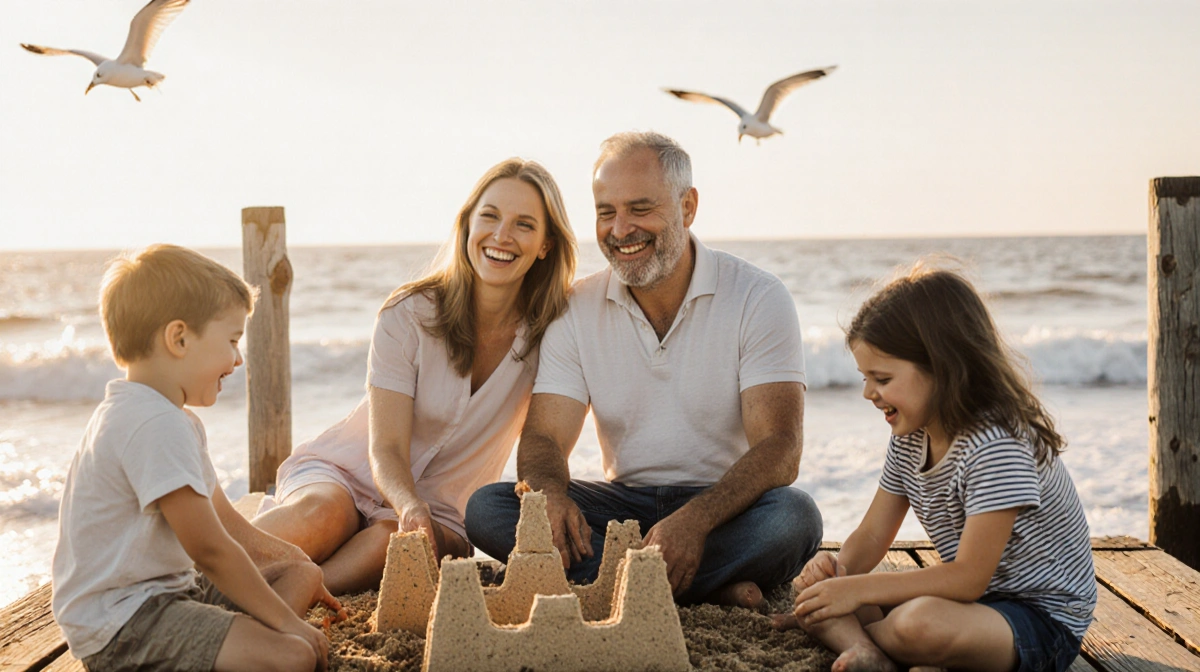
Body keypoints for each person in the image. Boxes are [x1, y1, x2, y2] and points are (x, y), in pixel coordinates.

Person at [465, 131, 823, 609]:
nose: (620, 229)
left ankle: (623, 580)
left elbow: (781, 448)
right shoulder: (577, 308)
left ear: (688, 207)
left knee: (793, 519)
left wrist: (696, 521)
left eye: (640, 208)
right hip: (621, 507)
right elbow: (544, 437)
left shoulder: (758, 297)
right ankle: (706, 586)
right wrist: (549, 495)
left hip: (725, 508)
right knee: (489, 508)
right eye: (606, 212)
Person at [253, 158, 577, 595]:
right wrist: (407, 505)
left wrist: (414, 516)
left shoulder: (555, 334)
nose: (501, 235)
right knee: (323, 516)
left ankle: (279, 591)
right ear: (466, 225)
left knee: (394, 546)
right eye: (490, 216)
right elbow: (385, 446)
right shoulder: (409, 314)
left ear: (545, 244)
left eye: (523, 224)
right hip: (350, 474)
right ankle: (195, 571)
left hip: (444, 513)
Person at [778, 266, 1096, 672]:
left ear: (940, 367)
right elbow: (873, 534)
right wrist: (837, 572)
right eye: (865, 377)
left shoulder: (995, 444)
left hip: (1037, 620)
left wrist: (852, 594)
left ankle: (856, 639)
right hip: (969, 605)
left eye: (882, 378)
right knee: (823, 593)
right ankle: (870, 652)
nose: (868, 393)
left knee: (918, 624)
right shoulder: (910, 436)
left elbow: (968, 578)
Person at [52, 244, 340, 672]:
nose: (239, 358)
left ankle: (232, 647)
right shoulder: (151, 424)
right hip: (125, 624)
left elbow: (229, 525)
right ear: (179, 338)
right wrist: (288, 625)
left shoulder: (174, 419)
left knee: (302, 574)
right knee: (294, 656)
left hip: (169, 595)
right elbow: (210, 550)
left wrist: (298, 563)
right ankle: (244, 649)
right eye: (232, 340)